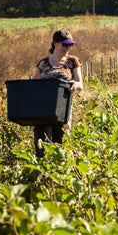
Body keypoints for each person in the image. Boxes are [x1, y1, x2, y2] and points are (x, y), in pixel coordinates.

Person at [32, 28, 83, 157]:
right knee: (42, 144)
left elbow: (80, 84)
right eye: (64, 45)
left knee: (61, 143)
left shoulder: (72, 61)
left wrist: (74, 85)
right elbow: (33, 85)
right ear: (55, 43)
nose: (68, 48)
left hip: (62, 109)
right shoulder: (43, 63)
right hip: (43, 110)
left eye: (70, 45)